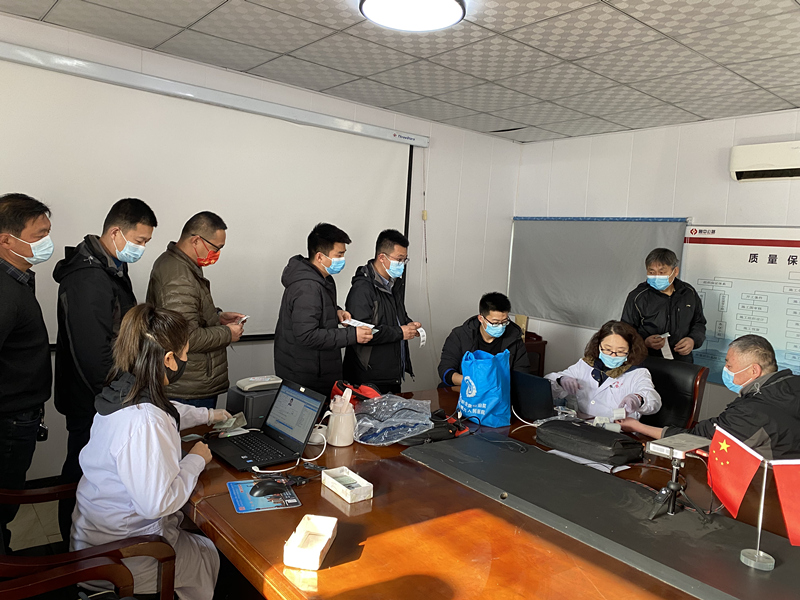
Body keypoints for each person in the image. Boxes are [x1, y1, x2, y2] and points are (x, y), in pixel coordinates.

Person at [71, 304, 229, 599]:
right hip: (123, 556)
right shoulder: (145, 422)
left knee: (193, 537)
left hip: (94, 538)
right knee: (209, 553)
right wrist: (196, 459)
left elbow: (167, 408)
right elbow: (157, 504)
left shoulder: (123, 390)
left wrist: (208, 415)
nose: (185, 359)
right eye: (185, 353)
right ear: (169, 359)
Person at [53, 197, 158, 540]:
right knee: (82, 473)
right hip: (94, 399)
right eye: (139, 240)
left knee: (94, 473)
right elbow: (93, 354)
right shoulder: (88, 278)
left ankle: (86, 543)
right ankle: (76, 548)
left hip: (105, 395)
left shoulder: (111, 267)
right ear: (115, 232)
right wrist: (118, 398)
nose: (142, 248)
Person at [619, 335, 800, 459]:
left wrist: (637, 426)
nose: (726, 370)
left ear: (754, 370)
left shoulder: (750, 411)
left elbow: (699, 437)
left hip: (773, 484)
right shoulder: (794, 383)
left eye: (729, 365)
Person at [147, 212, 244, 409]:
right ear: (196, 241)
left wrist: (217, 316)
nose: (217, 254)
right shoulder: (177, 277)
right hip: (187, 387)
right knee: (195, 430)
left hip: (190, 381)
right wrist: (228, 334)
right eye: (216, 248)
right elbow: (186, 337)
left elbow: (189, 312)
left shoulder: (183, 266)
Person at [0, 193, 53, 553]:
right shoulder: (4, 292)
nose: (47, 242)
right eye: (39, 235)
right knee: (4, 505)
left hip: (20, 415)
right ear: (7, 240)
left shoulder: (17, 279)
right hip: (9, 420)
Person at [274, 223, 373, 397]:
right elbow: (307, 335)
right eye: (339, 255)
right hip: (307, 376)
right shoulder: (308, 287)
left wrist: (336, 311)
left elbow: (314, 310)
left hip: (314, 369)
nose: (342, 259)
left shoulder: (322, 279)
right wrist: (352, 335)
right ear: (320, 256)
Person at [343, 229, 421, 394]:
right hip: (369, 378)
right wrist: (400, 332)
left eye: (405, 260)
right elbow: (362, 332)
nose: (402, 264)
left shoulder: (394, 285)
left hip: (391, 374)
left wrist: (409, 324)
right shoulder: (362, 288)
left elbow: (395, 317)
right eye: (399, 259)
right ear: (382, 257)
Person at [545, 320, 661, 419]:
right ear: (598, 345)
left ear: (630, 350)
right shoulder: (586, 365)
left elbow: (654, 401)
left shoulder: (638, 373)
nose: (613, 355)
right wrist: (561, 380)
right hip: (583, 425)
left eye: (621, 351)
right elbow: (547, 384)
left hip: (617, 430)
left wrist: (638, 399)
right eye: (607, 349)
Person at [621, 247, 706, 363]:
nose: (656, 276)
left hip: (681, 360)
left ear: (675, 271)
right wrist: (644, 342)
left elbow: (699, 323)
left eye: (662, 272)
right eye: (651, 272)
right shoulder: (637, 296)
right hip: (647, 359)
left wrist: (692, 340)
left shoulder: (688, 293)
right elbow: (625, 331)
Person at [438, 292, 529, 387]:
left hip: (499, 391)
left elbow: (522, 373)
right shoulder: (460, 335)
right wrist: (472, 382)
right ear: (481, 318)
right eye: (495, 323)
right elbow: (445, 369)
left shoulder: (514, 339)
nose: (500, 326)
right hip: (464, 389)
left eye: (504, 322)